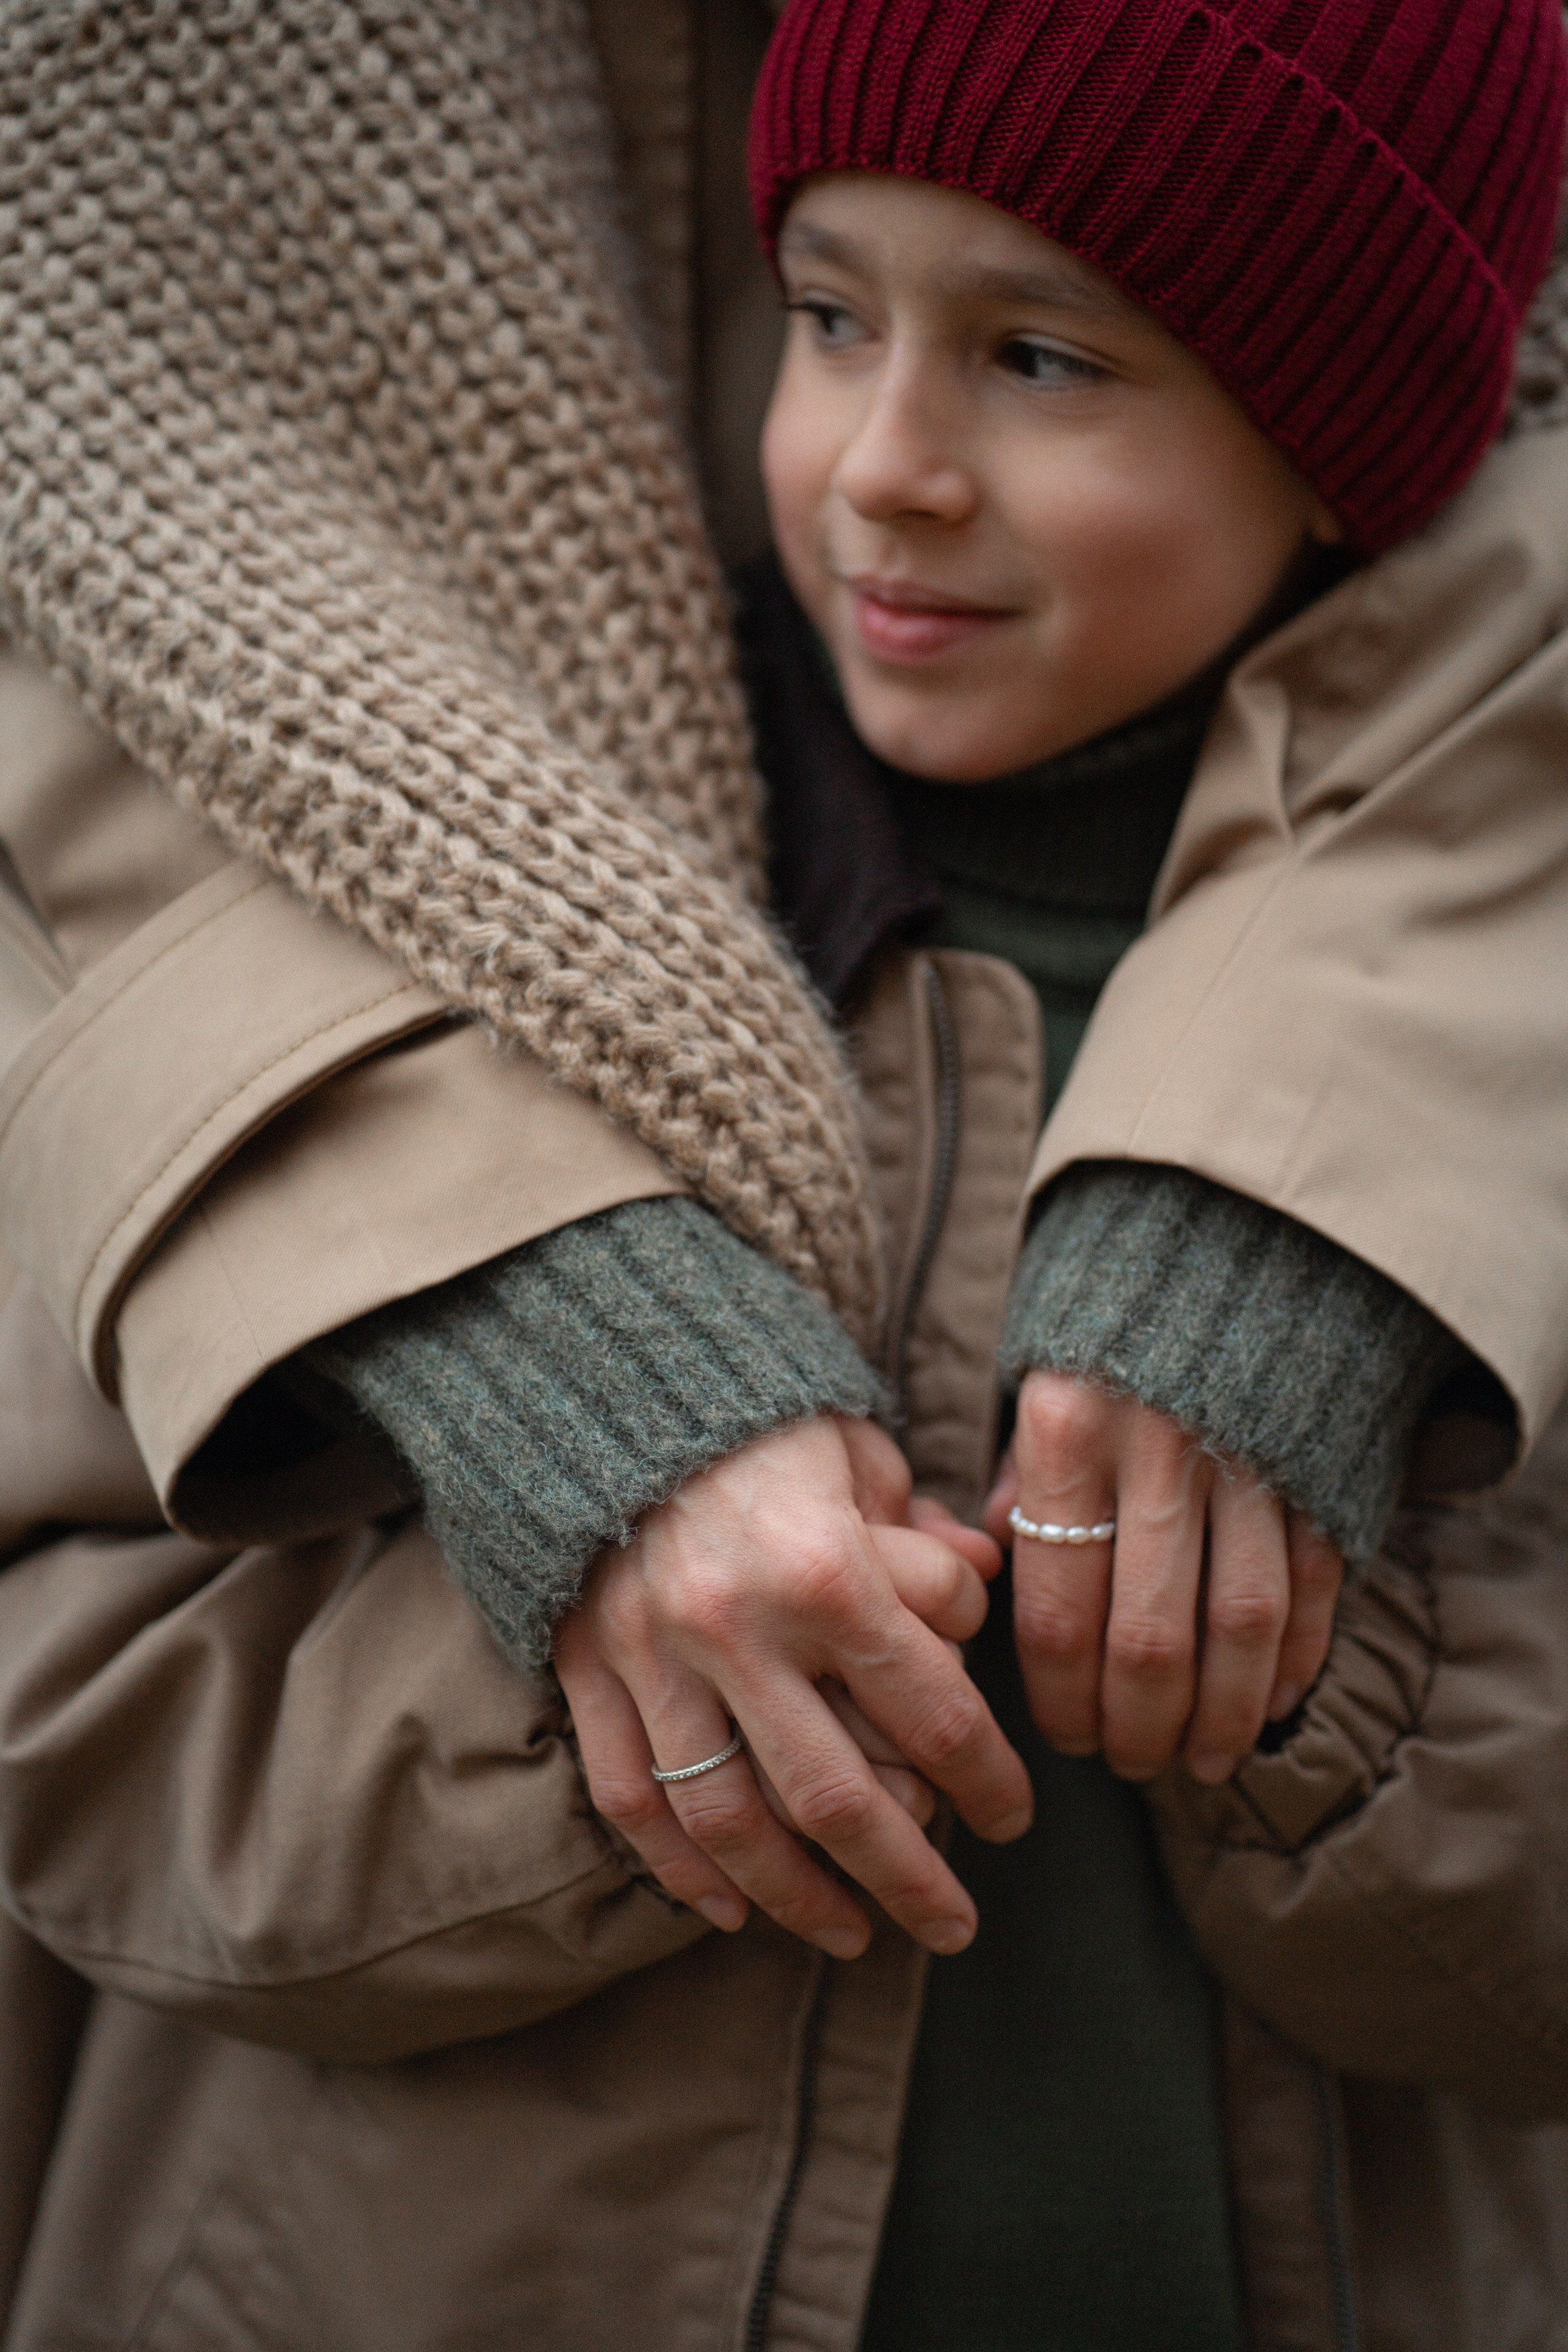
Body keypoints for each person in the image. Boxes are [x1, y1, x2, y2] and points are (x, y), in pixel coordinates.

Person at [4, 0, 1568, 2345]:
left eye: (1049, 360)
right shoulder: (479, 899)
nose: (887, 467)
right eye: (830, 317)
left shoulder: (1494, 1037)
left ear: (1344, 443)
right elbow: (77, 1716)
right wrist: (627, 1700)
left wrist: (1285, 1675)